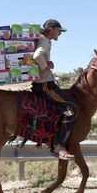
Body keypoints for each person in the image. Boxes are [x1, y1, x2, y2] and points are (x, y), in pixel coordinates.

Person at [31, 19, 79, 161]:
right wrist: (46, 66)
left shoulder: (44, 40)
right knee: (71, 109)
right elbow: (37, 56)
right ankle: (59, 147)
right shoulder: (44, 41)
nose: (60, 33)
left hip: (46, 83)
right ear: (51, 29)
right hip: (45, 84)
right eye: (59, 30)